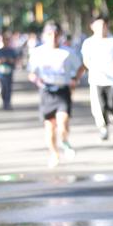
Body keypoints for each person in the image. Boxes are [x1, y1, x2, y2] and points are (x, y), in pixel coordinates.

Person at [28, 22, 84, 168]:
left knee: (62, 123)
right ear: (44, 36)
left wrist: (75, 79)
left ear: (60, 36)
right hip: (46, 91)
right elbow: (31, 73)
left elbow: (81, 67)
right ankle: (54, 154)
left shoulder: (67, 52)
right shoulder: (37, 52)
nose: (53, 37)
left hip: (62, 91)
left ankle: (65, 141)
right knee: (50, 128)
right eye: (49, 34)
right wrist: (36, 79)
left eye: (56, 34)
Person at [81, 14, 113, 141]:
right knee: (99, 106)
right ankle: (103, 128)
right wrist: (93, 68)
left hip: (112, 79)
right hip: (96, 79)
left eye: (103, 25)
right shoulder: (88, 43)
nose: (101, 28)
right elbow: (86, 60)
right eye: (98, 25)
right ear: (92, 27)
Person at [0, 31, 19, 110]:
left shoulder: (11, 51)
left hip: (9, 72)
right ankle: (4, 101)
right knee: (3, 88)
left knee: (8, 88)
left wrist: (9, 60)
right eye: (5, 40)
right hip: (1, 73)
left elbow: (16, 60)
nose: (6, 41)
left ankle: (7, 103)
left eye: (7, 40)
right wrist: (1, 60)